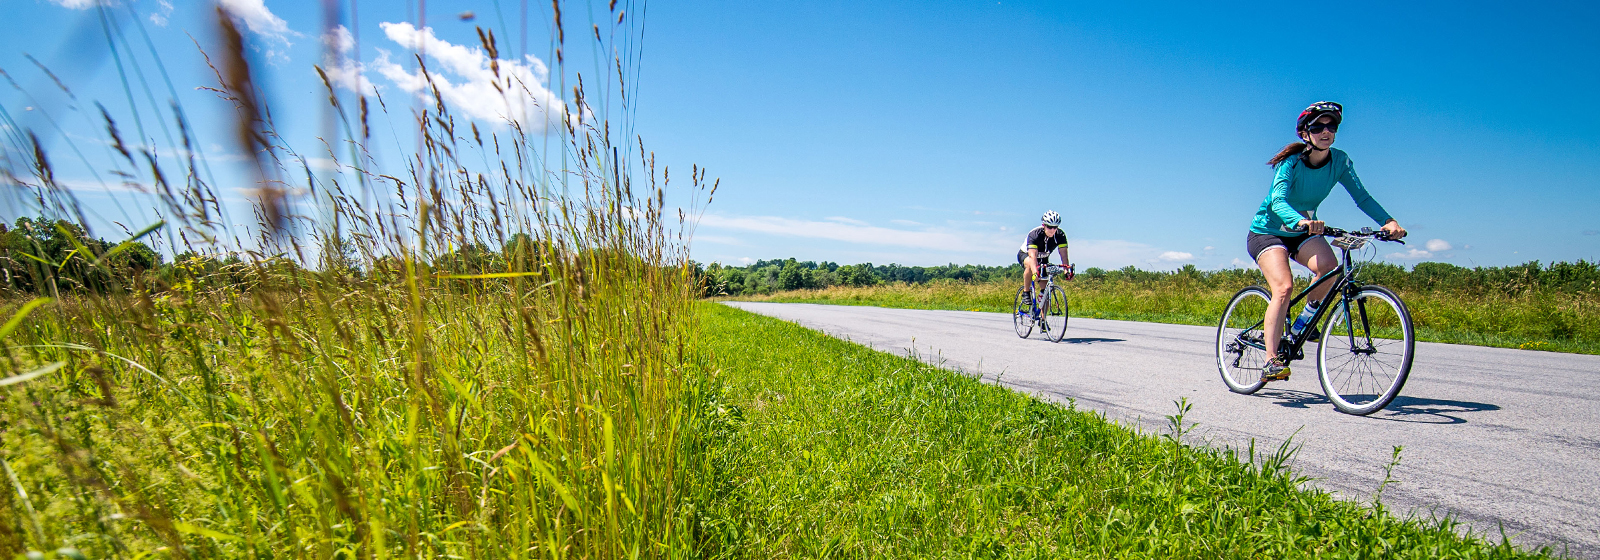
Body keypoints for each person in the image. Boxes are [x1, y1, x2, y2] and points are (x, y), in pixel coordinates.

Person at [1249, 101, 1406, 382]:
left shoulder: (1340, 162)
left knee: (1330, 268)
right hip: (1268, 232)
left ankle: (1302, 325)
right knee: (1284, 287)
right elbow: (1278, 199)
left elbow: (1363, 197)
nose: (1326, 131)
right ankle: (1271, 360)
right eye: (1318, 126)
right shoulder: (1291, 163)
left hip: (1303, 233)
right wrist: (1300, 221)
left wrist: (1388, 221)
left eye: (1331, 126)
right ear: (1305, 133)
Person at [1017, 210, 1073, 304]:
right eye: (1049, 227)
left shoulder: (1060, 235)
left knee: (1046, 291)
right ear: (1044, 225)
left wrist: (1066, 269)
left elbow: (1064, 255)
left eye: (1055, 227)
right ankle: (1026, 292)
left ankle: (1043, 318)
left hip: (1043, 258)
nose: (1052, 230)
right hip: (1027, 254)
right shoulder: (1035, 235)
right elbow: (1032, 256)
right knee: (1031, 265)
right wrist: (1035, 273)